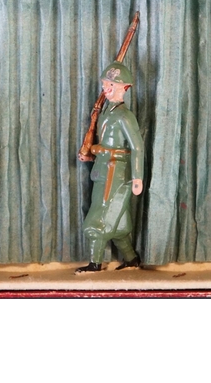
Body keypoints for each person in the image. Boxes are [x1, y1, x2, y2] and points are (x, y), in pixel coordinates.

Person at [76, 62, 144, 273]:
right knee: (119, 224)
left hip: (117, 172)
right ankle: (131, 259)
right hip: (103, 169)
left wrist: (137, 177)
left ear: (125, 88)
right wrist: (91, 153)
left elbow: (137, 147)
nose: (107, 88)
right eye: (105, 84)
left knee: (99, 218)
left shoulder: (124, 115)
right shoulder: (106, 112)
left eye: (112, 85)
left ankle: (95, 263)